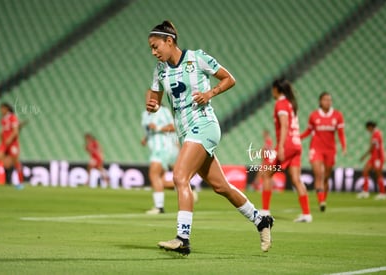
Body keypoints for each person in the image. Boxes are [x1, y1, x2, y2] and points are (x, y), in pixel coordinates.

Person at [146, 20, 273, 256]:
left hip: (204, 126)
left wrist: (209, 93)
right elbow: (154, 94)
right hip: (186, 132)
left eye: (156, 46)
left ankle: (183, 238)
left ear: (169, 41)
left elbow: (229, 78)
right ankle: (260, 220)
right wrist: (152, 105)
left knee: (179, 176)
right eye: (151, 48)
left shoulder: (197, 58)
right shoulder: (160, 69)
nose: (153, 52)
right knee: (220, 186)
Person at [262, 79, 312, 222]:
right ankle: (307, 214)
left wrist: (281, 146)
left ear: (277, 89)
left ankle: (265, 211)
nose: (272, 92)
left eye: (273, 89)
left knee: (266, 174)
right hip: (297, 144)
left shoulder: (281, 104)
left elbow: (284, 125)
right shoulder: (291, 104)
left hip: (287, 144)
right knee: (296, 179)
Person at [300, 92, 346, 211]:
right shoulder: (314, 115)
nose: (328, 102)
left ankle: (323, 199)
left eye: (329, 100)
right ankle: (321, 202)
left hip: (330, 150)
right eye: (325, 100)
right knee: (319, 174)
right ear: (320, 101)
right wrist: (297, 137)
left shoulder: (337, 115)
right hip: (316, 148)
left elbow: (340, 133)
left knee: (326, 177)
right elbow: (308, 131)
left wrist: (344, 146)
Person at [141, 105, 178, 214]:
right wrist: (146, 138)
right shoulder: (146, 114)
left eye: (151, 96)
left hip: (162, 148)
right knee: (160, 181)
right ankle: (187, 186)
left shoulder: (163, 111)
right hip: (156, 148)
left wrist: (157, 128)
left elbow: (172, 127)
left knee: (153, 175)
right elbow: (150, 131)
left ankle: (159, 207)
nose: (148, 99)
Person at [0, 102, 25, 189]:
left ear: (7, 109)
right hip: (5, 143)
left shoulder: (13, 117)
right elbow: (4, 131)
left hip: (13, 143)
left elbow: (15, 131)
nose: (1, 110)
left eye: (2, 109)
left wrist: (10, 139)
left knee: (16, 162)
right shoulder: (3, 119)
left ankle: (20, 183)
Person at [357, 121, 385, 200]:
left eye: (368, 128)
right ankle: (365, 192)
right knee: (365, 171)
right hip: (373, 157)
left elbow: (372, 147)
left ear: (370, 127)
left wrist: (364, 156)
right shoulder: (376, 133)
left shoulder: (376, 133)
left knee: (378, 174)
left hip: (378, 157)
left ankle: (383, 193)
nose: (368, 130)